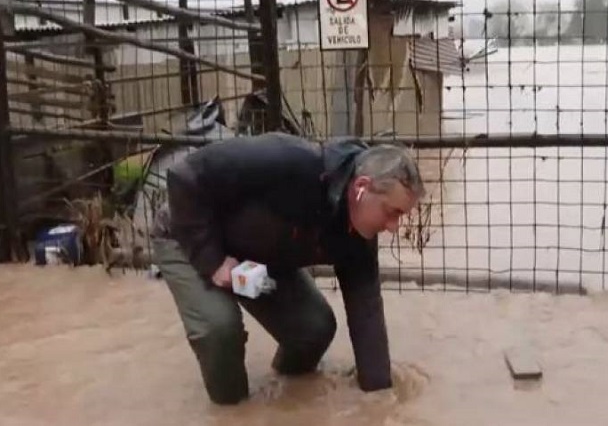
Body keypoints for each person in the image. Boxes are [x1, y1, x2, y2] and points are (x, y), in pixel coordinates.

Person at [151, 131, 425, 405]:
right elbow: (184, 176)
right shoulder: (291, 160)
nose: (393, 228)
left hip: (256, 256)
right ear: (361, 187)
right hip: (188, 236)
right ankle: (232, 410)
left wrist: (379, 403)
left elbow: (367, 314)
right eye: (393, 213)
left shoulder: (359, 237)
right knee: (219, 328)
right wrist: (213, 261)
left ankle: (285, 387)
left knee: (314, 329)